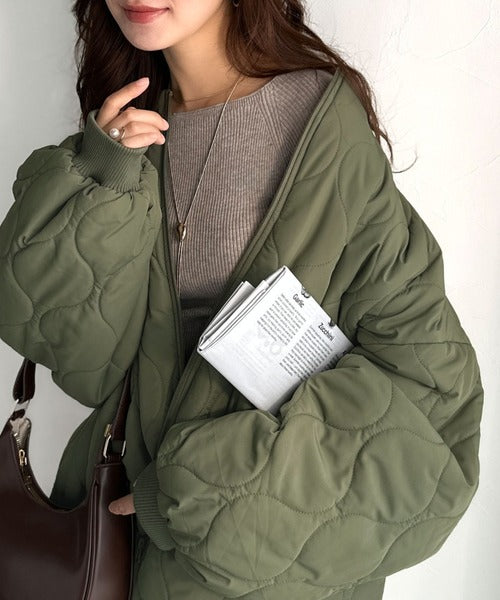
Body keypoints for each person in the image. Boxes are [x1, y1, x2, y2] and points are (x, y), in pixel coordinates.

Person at [0, 1, 484, 599]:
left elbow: (432, 410)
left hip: (260, 562)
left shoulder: (318, 127)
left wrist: (196, 495)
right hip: (109, 554)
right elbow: (83, 365)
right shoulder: (126, 130)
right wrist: (103, 180)